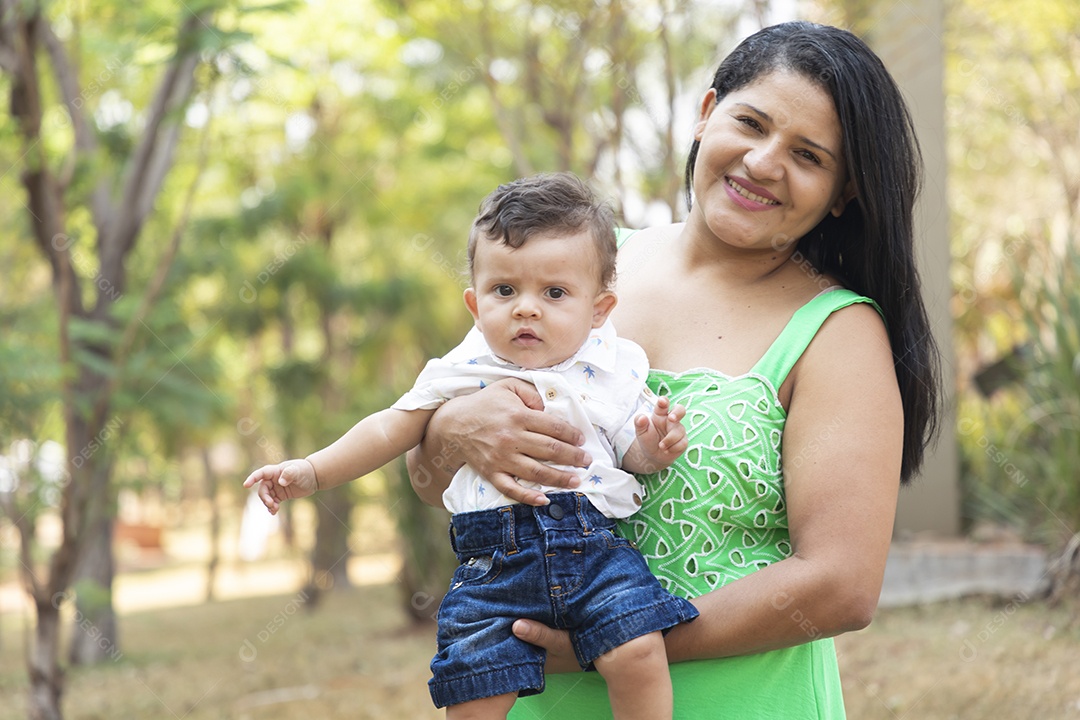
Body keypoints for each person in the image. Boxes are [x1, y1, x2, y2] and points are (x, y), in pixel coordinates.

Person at [406, 21, 941, 719]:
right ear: (705, 112)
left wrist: (621, 634)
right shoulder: (567, 271)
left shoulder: (837, 332)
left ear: (842, 193)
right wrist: (455, 431)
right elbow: (427, 473)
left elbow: (839, 585)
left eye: (808, 156)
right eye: (750, 123)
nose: (763, 162)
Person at [243, 172, 699, 720]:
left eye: (554, 293)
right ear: (475, 303)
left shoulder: (610, 367)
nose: (526, 308)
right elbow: (392, 426)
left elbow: (633, 455)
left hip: (595, 550)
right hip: (493, 563)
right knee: (473, 685)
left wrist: (655, 447)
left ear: (599, 309)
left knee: (639, 647)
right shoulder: (462, 369)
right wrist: (313, 471)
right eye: (504, 290)